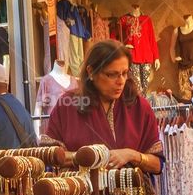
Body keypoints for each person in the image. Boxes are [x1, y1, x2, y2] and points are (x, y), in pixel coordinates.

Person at [41, 41, 163, 173]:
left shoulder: (140, 107)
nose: (121, 81)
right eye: (112, 74)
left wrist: (132, 155)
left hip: (131, 192)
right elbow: (48, 156)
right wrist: (86, 157)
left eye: (124, 73)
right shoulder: (67, 106)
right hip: (82, 192)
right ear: (91, 72)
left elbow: (158, 165)